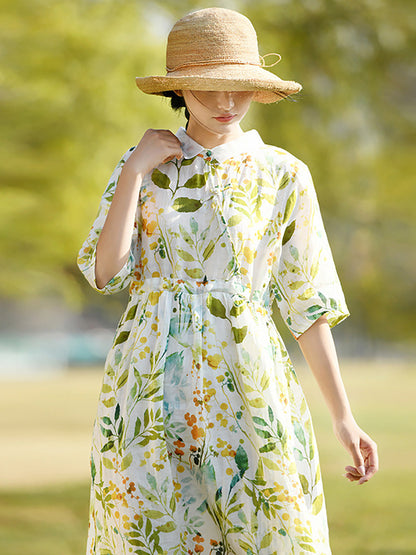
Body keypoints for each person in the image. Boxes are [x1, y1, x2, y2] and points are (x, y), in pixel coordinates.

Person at [77, 7, 378, 554]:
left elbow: (306, 304)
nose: (226, 104)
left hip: (249, 373)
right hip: (149, 384)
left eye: (238, 88)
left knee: (273, 527)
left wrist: (344, 417)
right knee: (158, 530)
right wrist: (133, 172)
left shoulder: (283, 173)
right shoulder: (145, 166)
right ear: (181, 89)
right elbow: (107, 273)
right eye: (210, 89)